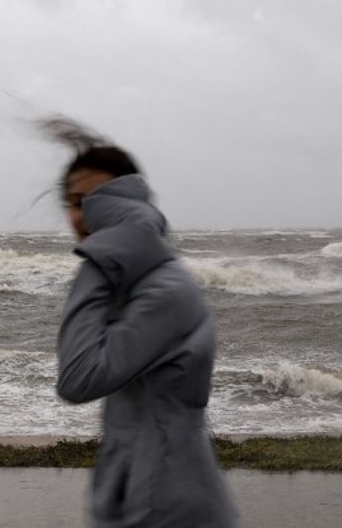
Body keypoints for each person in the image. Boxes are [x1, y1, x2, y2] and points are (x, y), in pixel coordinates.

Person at [52, 136, 236, 527]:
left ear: (124, 208)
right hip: (137, 496)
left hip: (168, 505)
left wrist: (98, 261)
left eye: (96, 201)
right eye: (73, 202)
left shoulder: (164, 290)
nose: (81, 216)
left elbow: (77, 378)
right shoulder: (132, 285)